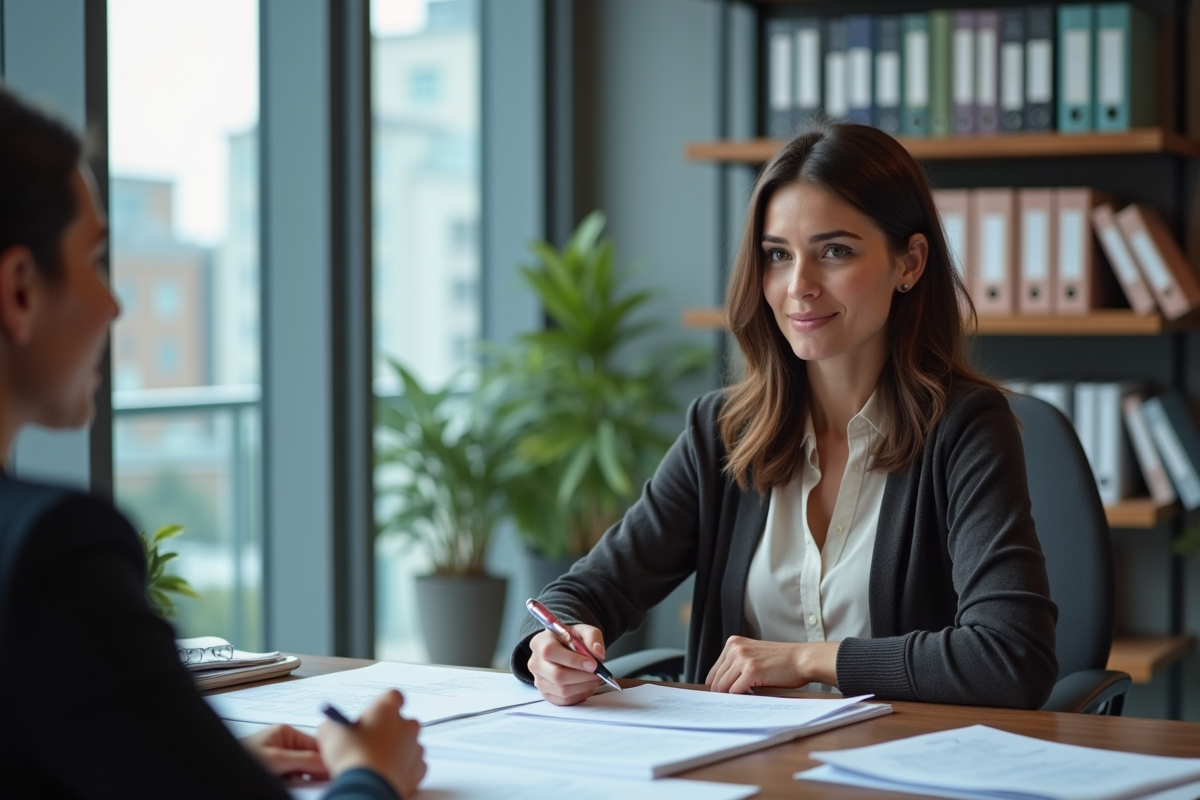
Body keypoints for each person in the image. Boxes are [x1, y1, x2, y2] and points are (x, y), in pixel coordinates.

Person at [513, 122, 1059, 710]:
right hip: (737, 766)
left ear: (910, 262)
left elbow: (1011, 656)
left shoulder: (966, 429)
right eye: (777, 255)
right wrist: (550, 648)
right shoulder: (722, 432)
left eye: (835, 251)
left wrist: (805, 659)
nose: (799, 286)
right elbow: (586, 590)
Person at [0, 84, 425, 799]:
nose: (114, 303)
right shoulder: (46, 556)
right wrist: (372, 774)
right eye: (94, 261)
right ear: (19, 289)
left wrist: (183, 764)